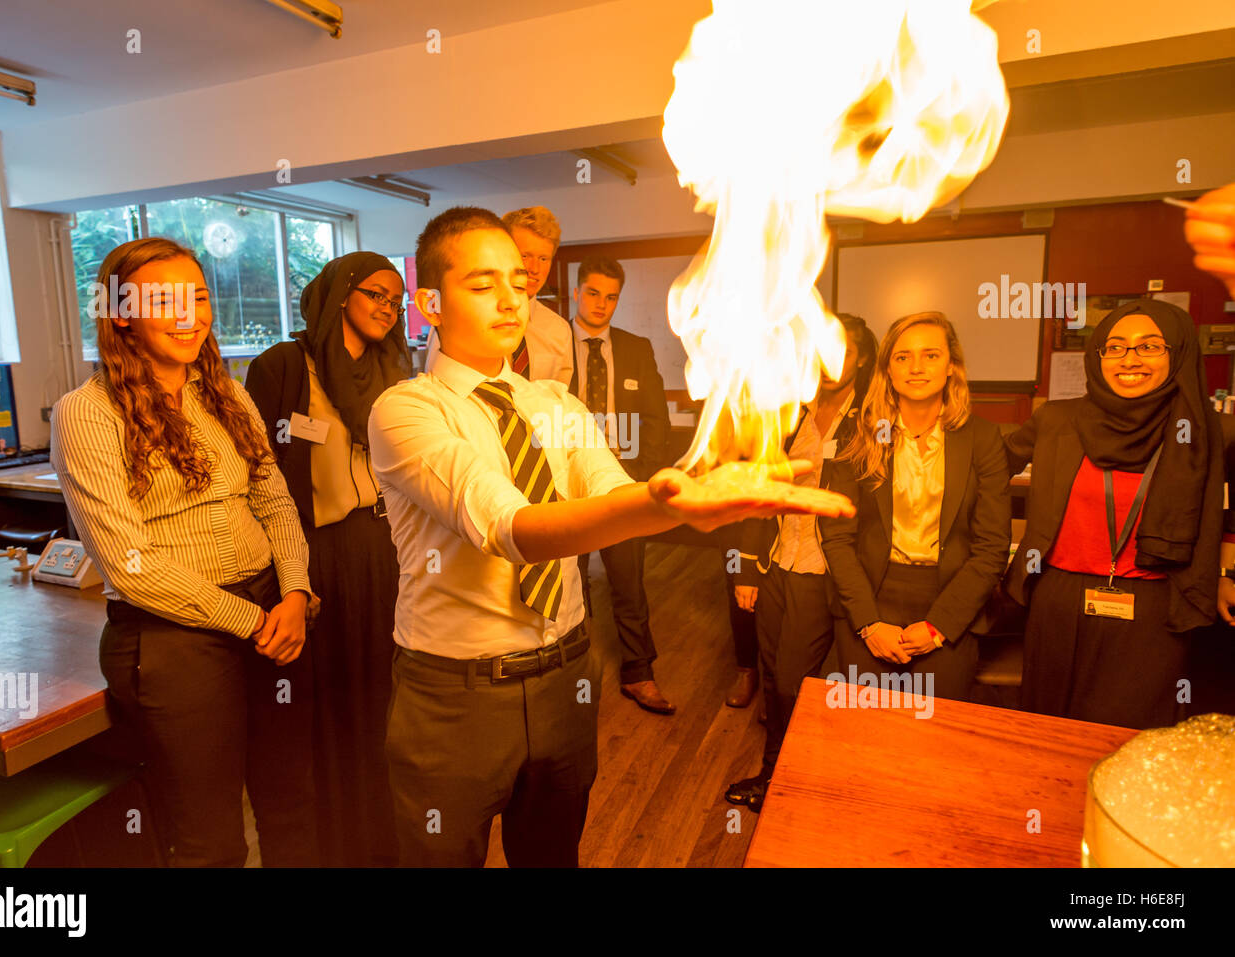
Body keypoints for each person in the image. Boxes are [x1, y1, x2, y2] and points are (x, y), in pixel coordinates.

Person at [367, 206, 855, 867]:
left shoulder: (556, 407)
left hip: (564, 677)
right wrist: (670, 505)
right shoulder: (408, 410)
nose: (512, 300)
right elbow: (513, 528)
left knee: (553, 856)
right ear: (430, 301)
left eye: (519, 280)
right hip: (455, 697)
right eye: (483, 285)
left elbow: (609, 494)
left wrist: (680, 492)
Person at [51, 237, 315, 867]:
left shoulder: (223, 392)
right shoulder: (86, 413)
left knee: (292, 804)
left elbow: (275, 500)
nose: (189, 315)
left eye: (197, 297)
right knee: (208, 837)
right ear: (120, 313)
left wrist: (298, 595)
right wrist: (256, 621)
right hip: (175, 642)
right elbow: (130, 566)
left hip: (275, 615)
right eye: (164, 299)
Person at [245, 251, 411, 866]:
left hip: (385, 548)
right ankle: (325, 844)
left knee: (380, 694)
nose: (387, 309)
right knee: (318, 703)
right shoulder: (285, 367)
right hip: (313, 552)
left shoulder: (394, 370)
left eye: (396, 301)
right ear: (341, 293)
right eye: (375, 294)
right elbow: (255, 473)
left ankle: (380, 836)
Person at [1004, 298, 1235, 729]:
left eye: (1149, 347)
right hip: (1058, 597)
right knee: (1047, 729)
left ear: (1179, 352)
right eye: (1116, 347)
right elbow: (986, 473)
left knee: (1130, 737)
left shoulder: (1211, 429)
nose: (1130, 359)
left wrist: (1226, 573)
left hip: (1156, 604)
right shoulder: (1057, 420)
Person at [725, 312, 877, 812]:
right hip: (776, 562)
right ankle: (777, 775)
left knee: (792, 681)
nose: (830, 363)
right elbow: (759, 490)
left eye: (843, 353)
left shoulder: (872, 421)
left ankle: (787, 781)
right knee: (772, 674)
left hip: (824, 570)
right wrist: (745, 566)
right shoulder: (789, 414)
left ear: (861, 360)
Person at [819, 311, 1011, 705]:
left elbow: (992, 547)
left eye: (931, 355)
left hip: (950, 604)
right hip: (868, 599)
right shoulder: (859, 436)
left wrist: (940, 626)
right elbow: (837, 539)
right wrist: (869, 623)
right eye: (903, 357)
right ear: (887, 369)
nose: (917, 368)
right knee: (859, 736)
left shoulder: (984, 439)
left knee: (933, 739)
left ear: (951, 367)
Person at [567, 256, 675, 714]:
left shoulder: (636, 347)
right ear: (576, 292)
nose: (601, 305)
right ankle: (571, 672)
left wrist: (641, 477)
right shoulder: (548, 346)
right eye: (593, 293)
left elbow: (656, 418)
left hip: (621, 478)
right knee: (568, 579)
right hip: (565, 478)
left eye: (611, 297)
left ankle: (638, 671)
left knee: (628, 581)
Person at [424, 205, 574, 383]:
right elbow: (437, 382)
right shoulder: (459, 320)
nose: (534, 269)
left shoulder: (559, 330)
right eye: (524, 256)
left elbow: (559, 399)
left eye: (543, 258)